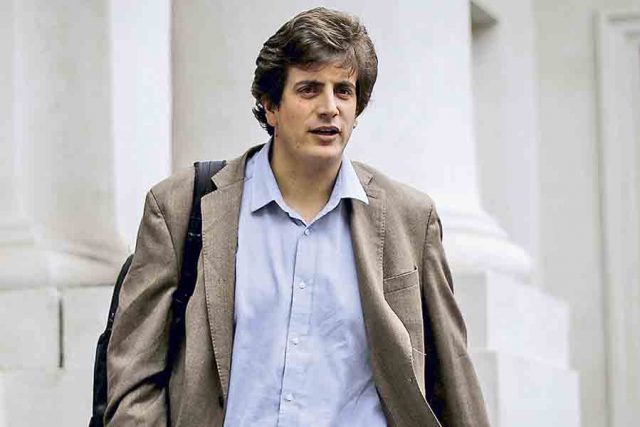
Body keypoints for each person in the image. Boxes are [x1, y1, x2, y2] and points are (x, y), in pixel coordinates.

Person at [105, 7, 490, 427]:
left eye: (343, 91)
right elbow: (134, 379)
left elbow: (452, 380)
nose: (330, 108)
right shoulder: (181, 207)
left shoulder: (409, 219)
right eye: (309, 89)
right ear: (270, 106)